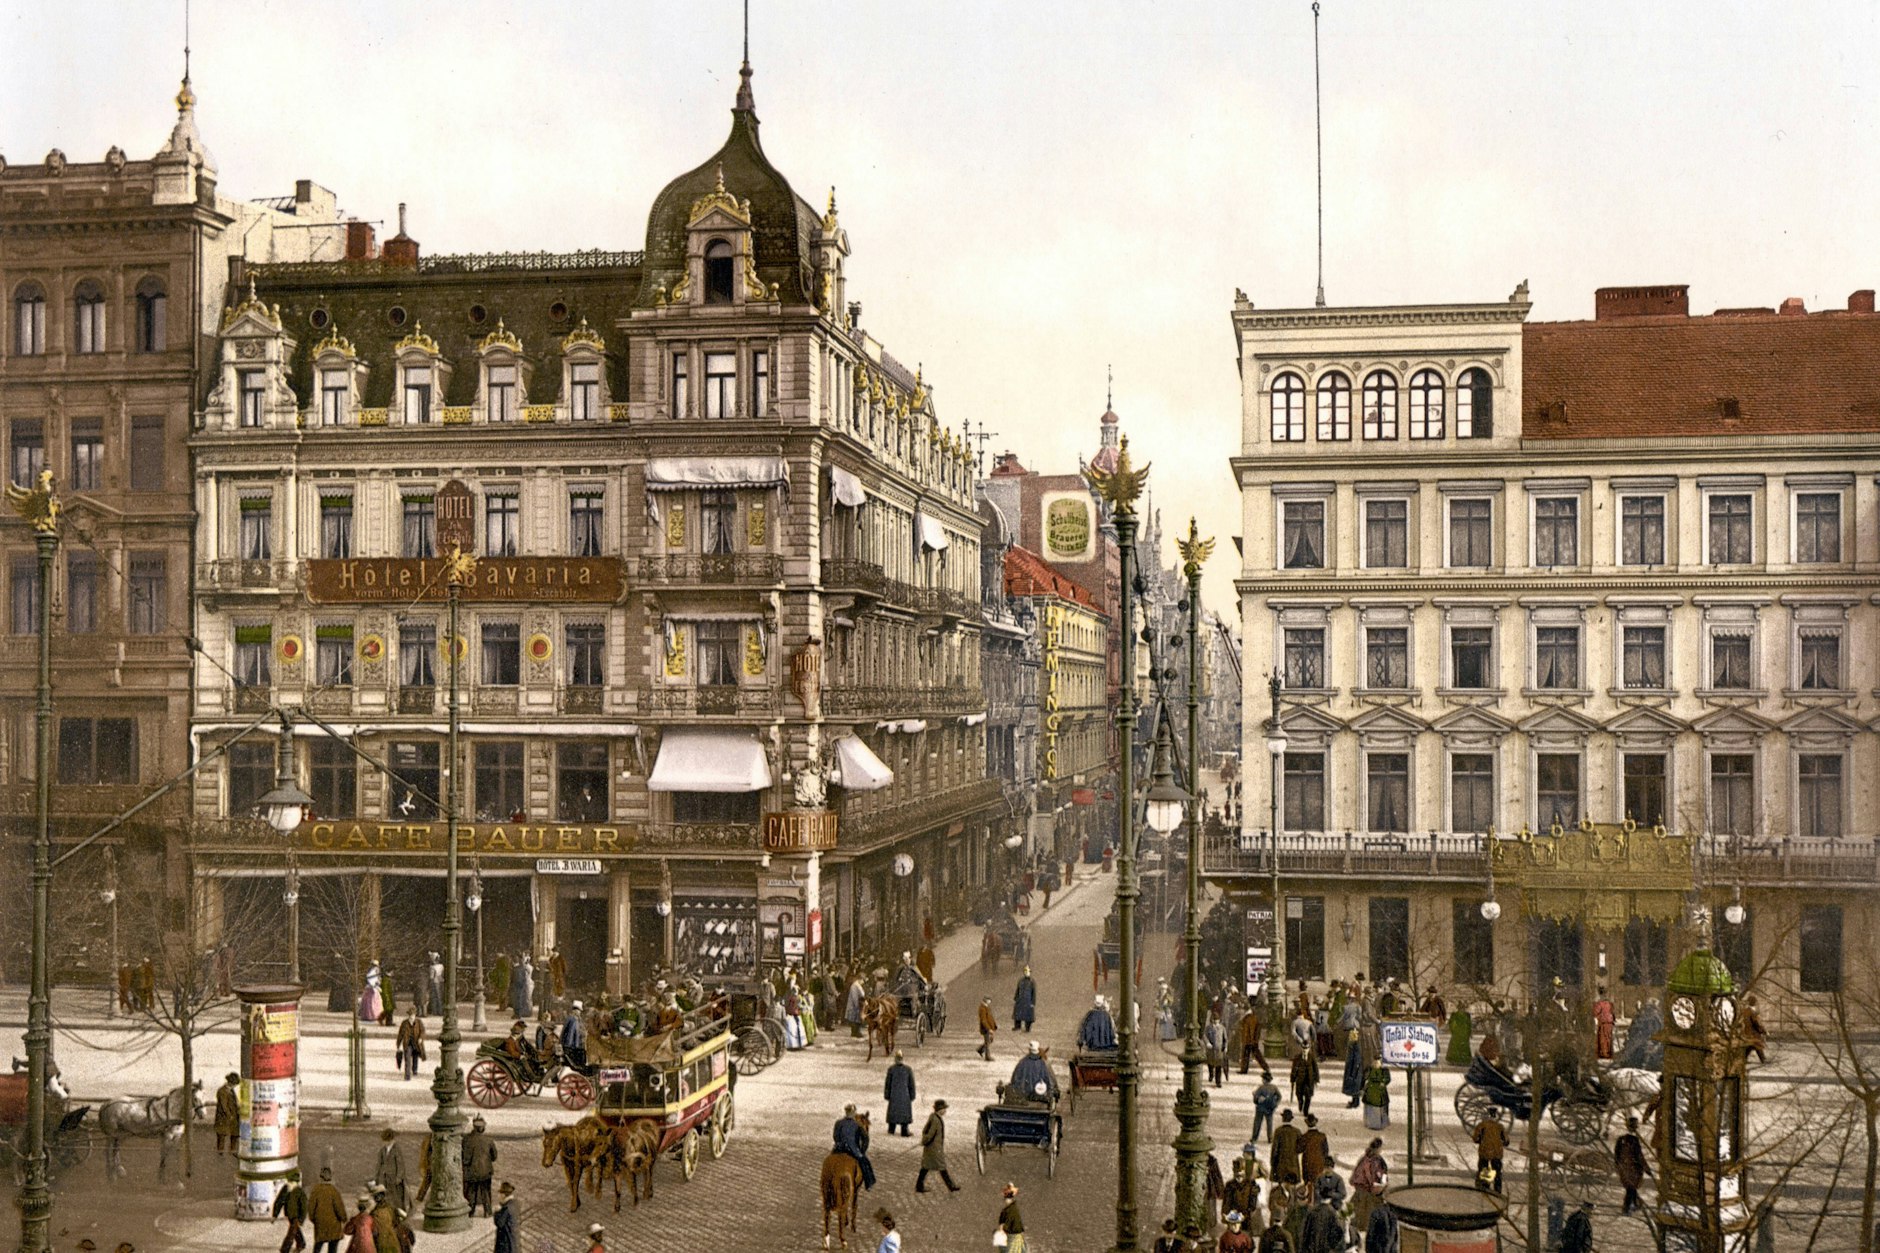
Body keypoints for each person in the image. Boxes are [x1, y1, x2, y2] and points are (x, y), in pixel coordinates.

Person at [916, 1099, 961, 1192]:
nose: (945, 1111)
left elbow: (926, 1131)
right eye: (944, 1108)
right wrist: (924, 1141)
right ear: (940, 1109)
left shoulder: (934, 1117)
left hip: (932, 1148)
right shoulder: (936, 1120)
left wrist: (924, 1141)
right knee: (941, 1167)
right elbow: (930, 1134)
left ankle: (919, 1186)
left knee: (926, 1167)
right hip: (934, 1148)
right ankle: (950, 1186)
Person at [1348, 1138, 1387, 1237]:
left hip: (1362, 1193)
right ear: (1378, 1148)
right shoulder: (1376, 1161)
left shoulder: (1364, 1159)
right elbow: (1376, 1177)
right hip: (1369, 1194)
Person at [834, 1104, 876, 1191]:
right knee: (865, 1163)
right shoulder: (858, 1125)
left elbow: (835, 1136)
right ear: (854, 1113)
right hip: (853, 1150)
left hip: (839, 1149)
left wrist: (839, 1143)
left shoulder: (838, 1123)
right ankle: (869, 1183)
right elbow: (866, 1139)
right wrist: (862, 1151)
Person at [462, 1114, 497, 1216]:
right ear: (482, 1128)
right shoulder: (489, 1140)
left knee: (471, 1192)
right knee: (486, 1192)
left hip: (471, 1172)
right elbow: (494, 1157)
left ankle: (471, 1212)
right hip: (486, 1171)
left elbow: (464, 1157)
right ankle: (488, 1212)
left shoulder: (466, 1139)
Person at [1615, 1114, 1650, 1215]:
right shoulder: (1634, 1140)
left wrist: (1618, 1166)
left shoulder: (1620, 1139)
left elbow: (1616, 1154)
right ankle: (1627, 1208)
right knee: (1631, 1189)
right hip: (1633, 1170)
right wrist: (1647, 1169)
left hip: (1624, 1168)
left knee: (1630, 1188)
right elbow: (1639, 1156)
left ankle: (1635, 1204)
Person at [309, 1166, 348, 1253]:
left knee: (318, 1246)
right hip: (334, 1225)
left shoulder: (316, 1190)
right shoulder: (334, 1191)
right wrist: (344, 1218)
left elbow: (311, 1208)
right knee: (333, 1248)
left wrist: (314, 1219)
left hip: (320, 1224)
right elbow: (339, 1208)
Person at [273, 1171, 310, 1253]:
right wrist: (275, 1214)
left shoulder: (298, 1191)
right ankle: (301, 1243)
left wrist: (301, 1219)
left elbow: (304, 1206)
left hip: (296, 1216)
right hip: (290, 1215)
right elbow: (279, 1201)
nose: (290, 1183)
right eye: (290, 1181)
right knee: (295, 1230)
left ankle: (285, 1249)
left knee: (291, 1232)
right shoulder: (287, 1189)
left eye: (292, 1182)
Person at [1222, 1159, 1260, 1234]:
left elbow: (1253, 1204)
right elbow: (1226, 1202)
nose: (1239, 1177)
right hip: (1233, 1217)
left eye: (1241, 1174)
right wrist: (1226, 1214)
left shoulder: (1250, 1185)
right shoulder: (1230, 1185)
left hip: (1246, 1217)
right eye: (1237, 1174)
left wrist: (1246, 1214)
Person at [376, 1128, 409, 1213]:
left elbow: (400, 1165)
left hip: (395, 1179)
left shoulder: (396, 1149)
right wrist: (377, 1177)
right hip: (386, 1178)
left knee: (397, 1198)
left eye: (386, 1141)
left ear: (390, 1140)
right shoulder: (383, 1150)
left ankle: (400, 1214)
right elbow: (379, 1164)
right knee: (387, 1197)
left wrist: (399, 1177)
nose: (384, 1142)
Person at [884, 1051, 917, 1136]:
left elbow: (888, 1084)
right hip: (905, 1096)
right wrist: (912, 1095)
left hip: (893, 1095)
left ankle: (891, 1129)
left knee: (893, 1112)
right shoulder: (908, 1070)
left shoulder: (891, 1069)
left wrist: (887, 1095)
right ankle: (904, 1131)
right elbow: (911, 1084)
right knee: (904, 1113)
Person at [1474, 1108, 1505, 1193]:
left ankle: (1486, 1187)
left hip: (1485, 1152)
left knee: (1485, 1168)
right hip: (1497, 1153)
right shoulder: (1500, 1127)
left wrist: (1482, 1140)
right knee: (1497, 1172)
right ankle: (1497, 1190)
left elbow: (1475, 1139)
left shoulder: (1481, 1126)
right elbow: (1506, 1141)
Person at [1270, 1110, 1302, 1185]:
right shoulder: (1296, 1131)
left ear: (1283, 1118)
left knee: (1281, 1187)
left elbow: (1275, 1149)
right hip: (1293, 1163)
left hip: (1281, 1163)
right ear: (1291, 1119)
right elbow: (1300, 1148)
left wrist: (1273, 1162)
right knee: (1292, 1185)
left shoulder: (1278, 1131)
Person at [1298, 1114, 1330, 1188]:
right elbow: (1326, 1151)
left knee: (1308, 1186)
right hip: (1319, 1164)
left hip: (1307, 1164)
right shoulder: (1322, 1136)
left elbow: (1298, 1149)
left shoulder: (1304, 1137)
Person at [1237, 1002, 1268, 1074]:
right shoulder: (1250, 1016)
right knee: (1249, 1055)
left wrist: (1252, 1040)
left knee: (1252, 1055)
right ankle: (1244, 1069)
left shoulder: (1249, 1017)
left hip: (1249, 1040)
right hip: (1250, 1039)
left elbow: (1251, 1029)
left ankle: (1265, 1067)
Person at [214, 1072, 241, 1154]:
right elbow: (223, 1105)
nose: (235, 1085)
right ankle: (220, 1152)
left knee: (235, 1134)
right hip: (223, 1117)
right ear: (230, 1082)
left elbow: (235, 1102)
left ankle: (233, 1151)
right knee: (221, 1135)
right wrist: (230, 1115)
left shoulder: (231, 1090)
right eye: (234, 1084)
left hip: (233, 1116)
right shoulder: (222, 1091)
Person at [396, 1011, 426, 1081]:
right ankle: (407, 1076)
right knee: (407, 1058)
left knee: (415, 1057)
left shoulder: (419, 1022)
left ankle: (414, 1070)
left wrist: (421, 1038)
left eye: (413, 1015)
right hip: (408, 1043)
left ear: (415, 1015)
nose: (411, 1017)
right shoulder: (404, 1023)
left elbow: (423, 1031)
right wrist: (398, 1045)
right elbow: (400, 1034)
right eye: (410, 1016)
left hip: (416, 1043)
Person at [1252, 1072, 1281, 1143]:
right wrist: (1276, 1104)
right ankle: (1270, 1138)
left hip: (1261, 1108)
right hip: (1270, 1108)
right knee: (1269, 1123)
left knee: (1257, 1123)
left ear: (1264, 1080)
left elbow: (1256, 1098)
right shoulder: (1274, 1087)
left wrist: (1256, 1099)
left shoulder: (1261, 1088)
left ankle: (1254, 1138)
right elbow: (1279, 1096)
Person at [1361, 1062, 1391, 1131]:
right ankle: (1371, 1123)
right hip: (1371, 1089)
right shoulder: (1369, 1068)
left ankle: (1380, 1123)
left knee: (1380, 1105)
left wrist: (1383, 1082)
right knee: (1371, 1105)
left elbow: (1387, 1078)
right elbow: (1365, 1076)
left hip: (1379, 1090)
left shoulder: (1384, 1069)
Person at [996, 1183, 1025, 1253]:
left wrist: (1002, 1228)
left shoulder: (1011, 1209)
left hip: (1012, 1235)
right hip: (1013, 1235)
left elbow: (1007, 1223)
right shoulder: (1011, 1208)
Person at [1290, 1047, 1318, 1116]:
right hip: (1300, 1080)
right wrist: (1292, 1079)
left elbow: (1315, 1068)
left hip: (1309, 1081)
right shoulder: (1297, 1057)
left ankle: (1306, 1111)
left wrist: (1316, 1079)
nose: (1305, 1050)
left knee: (1308, 1096)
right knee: (1299, 1094)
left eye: (1306, 1049)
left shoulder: (1311, 1057)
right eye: (1303, 1049)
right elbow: (1294, 1069)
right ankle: (1300, 1102)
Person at [370, 1185, 398, 1253]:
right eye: (375, 1196)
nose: (376, 1198)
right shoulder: (390, 1208)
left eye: (378, 1195)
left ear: (383, 1195)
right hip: (389, 1239)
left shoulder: (374, 1212)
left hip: (384, 1240)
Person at [492, 1182, 518, 1253]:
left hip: (505, 1242)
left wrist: (496, 1212)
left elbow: (499, 1223)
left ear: (503, 1195)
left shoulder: (505, 1208)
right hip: (512, 1240)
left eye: (500, 1194)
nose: (498, 1196)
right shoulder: (513, 1204)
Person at [562, 1000, 589, 1069]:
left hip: (571, 1045)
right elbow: (570, 1035)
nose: (580, 1012)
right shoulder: (573, 1020)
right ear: (576, 1010)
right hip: (572, 1047)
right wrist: (570, 1047)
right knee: (582, 1054)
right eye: (579, 1011)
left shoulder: (572, 1018)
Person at [1205, 1011, 1229, 1087]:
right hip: (1211, 1050)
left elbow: (1225, 1039)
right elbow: (1204, 1036)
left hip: (1219, 1050)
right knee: (1210, 1064)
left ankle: (1218, 1082)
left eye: (1217, 1020)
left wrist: (1225, 1047)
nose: (1215, 1022)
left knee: (1219, 1066)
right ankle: (1211, 1074)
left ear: (1219, 1020)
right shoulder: (1208, 1028)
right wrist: (1207, 1043)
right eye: (1214, 1020)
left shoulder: (1222, 1028)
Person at [1743, 994, 1768, 1064]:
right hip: (1752, 1032)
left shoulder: (1745, 1011)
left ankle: (1744, 1059)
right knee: (1758, 1044)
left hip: (1746, 1031)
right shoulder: (1752, 1012)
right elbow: (1756, 1023)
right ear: (1754, 1002)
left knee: (1749, 1046)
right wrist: (1762, 1031)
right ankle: (1763, 1059)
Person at [1593, 986, 1616, 1061]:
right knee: (1609, 1038)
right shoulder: (1609, 1003)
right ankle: (1609, 1053)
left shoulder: (1600, 1003)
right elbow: (1613, 1012)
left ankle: (1604, 1054)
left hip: (1603, 1022)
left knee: (1603, 1039)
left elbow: (1595, 1012)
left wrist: (1597, 1015)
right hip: (1610, 1022)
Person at [1013, 966, 1037, 1032]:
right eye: (1025, 972)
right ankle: (1017, 1026)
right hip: (1020, 1000)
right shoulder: (1020, 980)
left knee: (1028, 1016)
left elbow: (1033, 992)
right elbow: (1017, 990)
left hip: (1028, 1001)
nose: (1026, 973)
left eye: (1028, 972)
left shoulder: (1032, 981)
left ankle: (1027, 1028)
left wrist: (1033, 1002)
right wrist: (1016, 998)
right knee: (1018, 1014)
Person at [511, 953, 534, 1021]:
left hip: (522, 985)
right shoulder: (520, 968)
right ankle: (520, 1013)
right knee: (520, 999)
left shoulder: (525, 968)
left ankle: (520, 1013)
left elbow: (525, 977)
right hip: (521, 985)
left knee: (521, 1000)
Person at [846, 971, 867, 1038]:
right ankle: (856, 1032)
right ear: (860, 979)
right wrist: (857, 1005)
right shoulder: (855, 986)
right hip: (854, 1005)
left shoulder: (857, 985)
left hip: (857, 1004)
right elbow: (854, 997)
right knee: (856, 1019)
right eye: (863, 980)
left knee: (856, 1019)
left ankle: (855, 1032)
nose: (863, 982)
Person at [978, 996, 998, 1061]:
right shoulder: (982, 1008)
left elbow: (990, 1018)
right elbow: (983, 1020)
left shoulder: (987, 1007)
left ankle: (980, 1050)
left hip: (990, 1027)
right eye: (989, 1000)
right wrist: (989, 1029)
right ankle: (987, 1057)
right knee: (987, 1042)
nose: (990, 1001)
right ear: (986, 1000)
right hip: (986, 1028)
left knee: (990, 1040)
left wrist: (994, 1025)